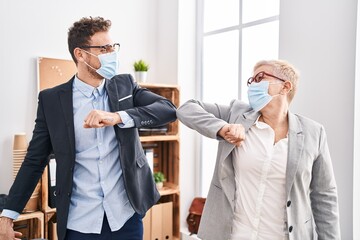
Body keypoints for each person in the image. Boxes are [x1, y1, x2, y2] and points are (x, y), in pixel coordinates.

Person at [0, 16, 177, 240]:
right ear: (80, 54)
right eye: (104, 48)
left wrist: (117, 117)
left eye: (113, 47)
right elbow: (34, 160)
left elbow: (168, 109)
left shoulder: (124, 85)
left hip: (126, 216)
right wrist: (7, 216)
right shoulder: (51, 100)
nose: (112, 53)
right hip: (79, 223)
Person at [177, 59, 340, 240]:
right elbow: (187, 108)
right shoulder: (236, 114)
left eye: (260, 78)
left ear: (285, 87)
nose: (252, 85)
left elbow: (325, 196)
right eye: (251, 80)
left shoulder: (314, 133)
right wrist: (223, 128)